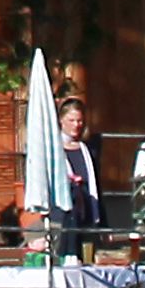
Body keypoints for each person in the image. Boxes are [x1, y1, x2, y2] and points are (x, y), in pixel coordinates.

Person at [47, 99, 102, 263]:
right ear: (61, 120)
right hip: (64, 214)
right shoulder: (54, 150)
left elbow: (97, 184)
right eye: (71, 120)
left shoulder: (88, 149)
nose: (76, 125)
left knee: (87, 258)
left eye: (79, 120)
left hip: (87, 209)